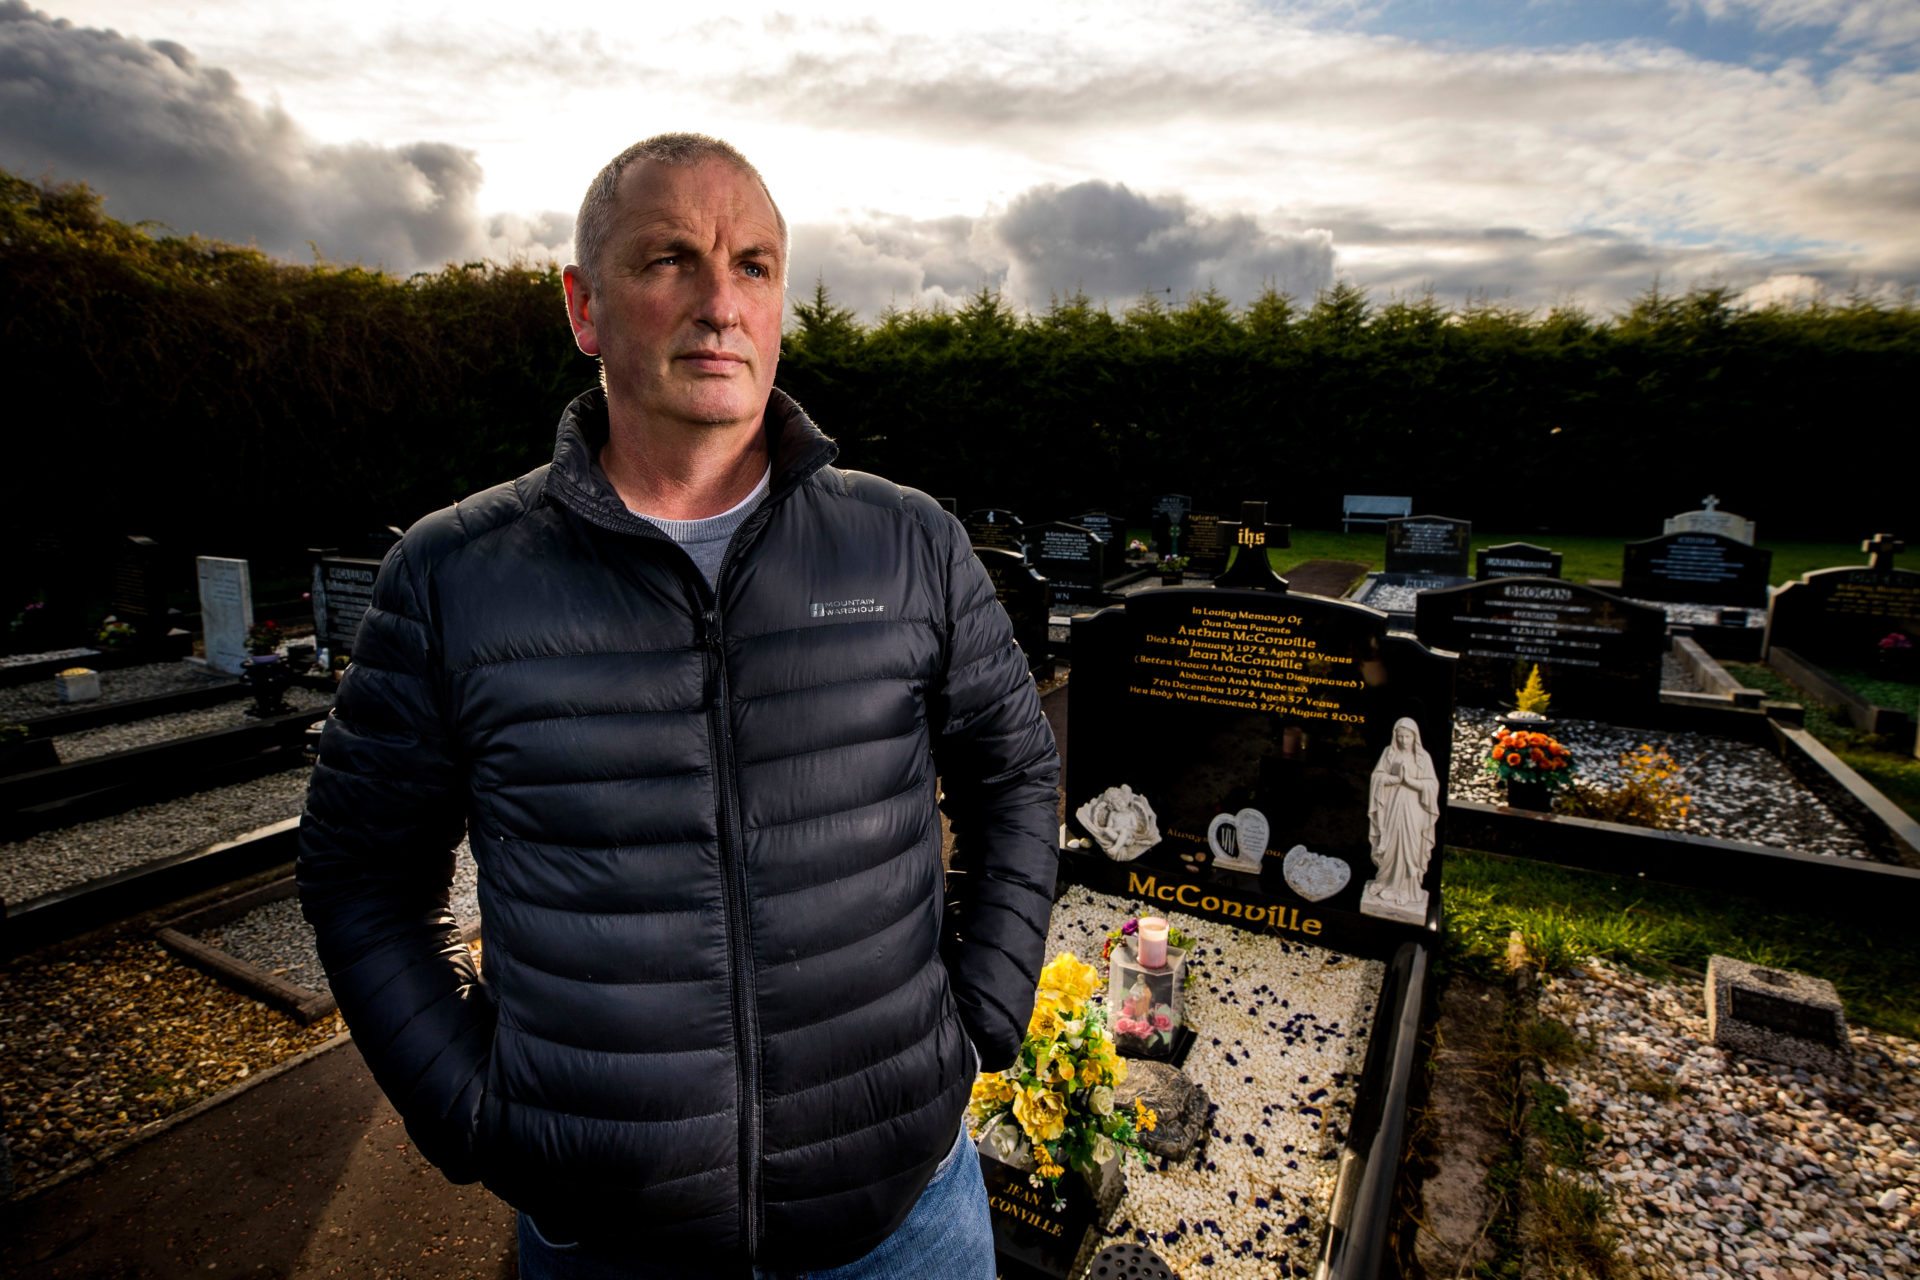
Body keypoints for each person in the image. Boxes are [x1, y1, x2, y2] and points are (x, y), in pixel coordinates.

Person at [297, 133, 1060, 1279]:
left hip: (904, 1226)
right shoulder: (455, 577)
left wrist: (984, 1009)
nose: (720, 303)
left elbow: (1015, 775)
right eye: (669, 259)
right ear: (584, 306)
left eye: (753, 265)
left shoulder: (909, 543)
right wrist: (473, 1109)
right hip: (611, 1247)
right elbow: (360, 872)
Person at [1365, 717, 1440, 906]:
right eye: (1400, 736)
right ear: (1395, 736)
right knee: (1389, 843)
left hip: (1413, 809)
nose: (1403, 741)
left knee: (1410, 846)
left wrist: (1410, 782)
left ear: (1415, 737)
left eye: (1407, 737)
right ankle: (1383, 881)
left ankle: (1406, 888)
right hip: (1391, 807)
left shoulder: (1423, 758)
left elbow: (1432, 784)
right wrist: (1395, 779)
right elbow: (1377, 776)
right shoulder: (1389, 753)